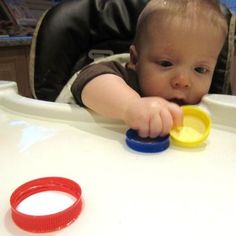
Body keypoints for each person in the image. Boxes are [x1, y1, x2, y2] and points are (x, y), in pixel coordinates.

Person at [71, 0, 228, 138]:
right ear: (135, 59)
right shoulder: (122, 77)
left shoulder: (203, 105)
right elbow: (88, 81)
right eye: (166, 64)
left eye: (200, 70)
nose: (183, 81)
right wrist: (130, 107)